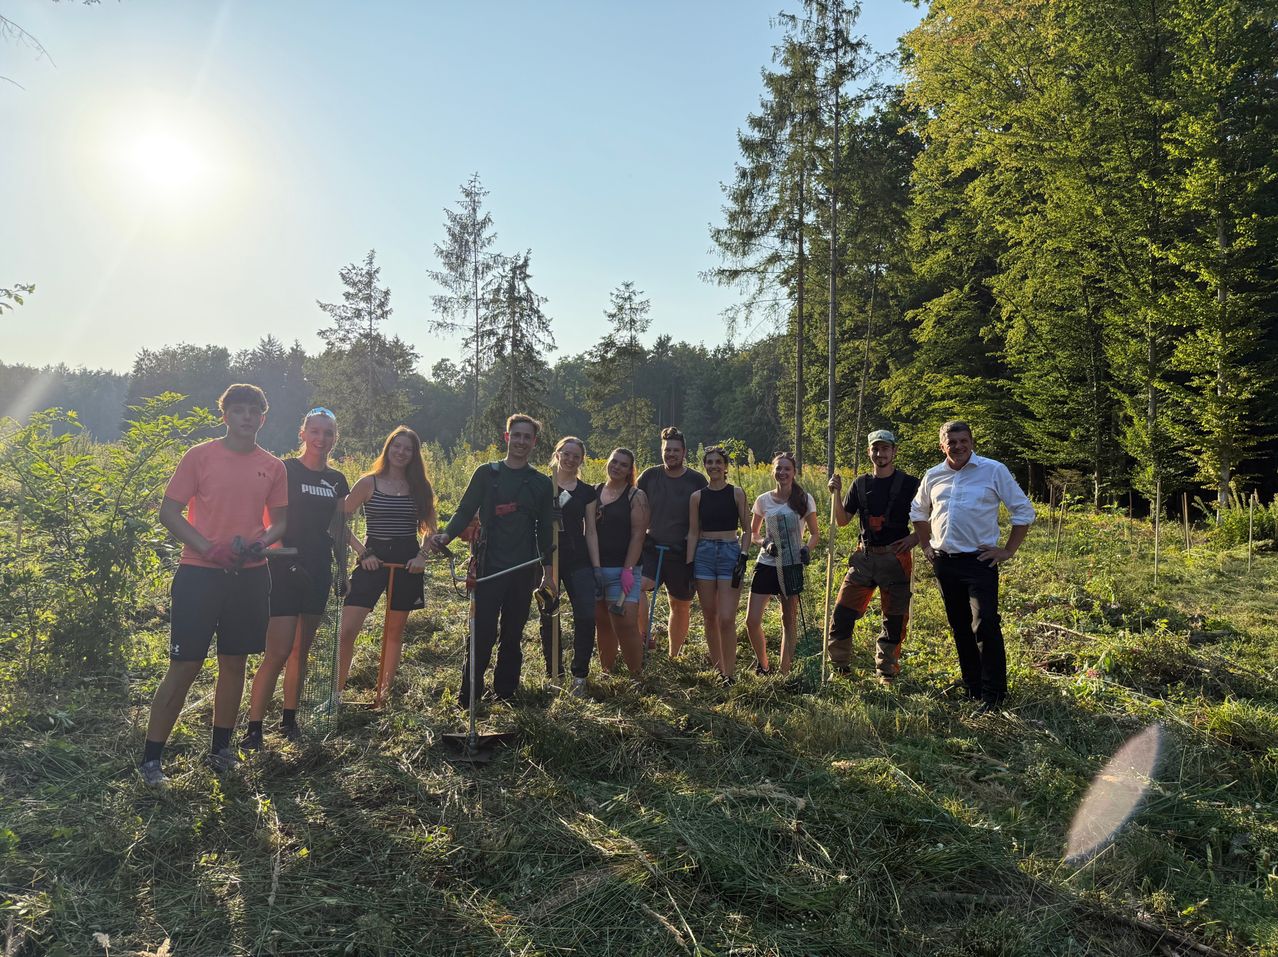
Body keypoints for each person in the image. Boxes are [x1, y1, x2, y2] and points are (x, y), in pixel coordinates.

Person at [138, 383, 288, 786]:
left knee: (234, 661)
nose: (246, 417)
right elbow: (169, 512)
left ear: (263, 417)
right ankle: (152, 759)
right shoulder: (199, 457)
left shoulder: (273, 466)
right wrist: (207, 547)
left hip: (250, 575)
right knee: (184, 665)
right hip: (199, 574)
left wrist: (263, 541)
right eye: (237, 410)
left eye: (253, 411)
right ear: (224, 415)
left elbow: (281, 520)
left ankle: (221, 750)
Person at [242, 408, 352, 749]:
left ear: (335, 438)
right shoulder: (285, 469)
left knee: (300, 652)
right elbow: (268, 516)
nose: (322, 439)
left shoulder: (337, 480)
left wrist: (342, 569)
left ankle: (289, 722)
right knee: (276, 651)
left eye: (328, 433)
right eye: (315, 431)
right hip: (284, 568)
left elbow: (339, 529)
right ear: (302, 433)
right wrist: (279, 551)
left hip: (319, 569)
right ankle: (254, 729)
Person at [428, 414, 555, 707]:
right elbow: (464, 510)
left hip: (523, 570)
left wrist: (548, 573)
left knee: (513, 633)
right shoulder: (487, 474)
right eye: (517, 435)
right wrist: (445, 536)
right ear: (507, 437)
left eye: (528, 437)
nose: (522, 441)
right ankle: (469, 696)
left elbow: (545, 532)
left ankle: (506, 693)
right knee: (482, 633)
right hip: (488, 568)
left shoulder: (540, 484)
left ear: (534, 442)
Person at [910, 420, 1035, 712]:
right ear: (942, 445)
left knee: (986, 624)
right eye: (951, 442)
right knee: (960, 627)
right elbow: (918, 510)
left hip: (980, 562)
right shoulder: (933, 475)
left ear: (972, 442)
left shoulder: (993, 471)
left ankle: (994, 695)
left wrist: (1007, 550)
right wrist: (927, 545)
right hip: (945, 562)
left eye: (963, 440)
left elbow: (1023, 510)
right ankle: (973, 688)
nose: (958, 446)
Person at [336, 426, 436, 708]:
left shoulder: (419, 488)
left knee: (394, 630)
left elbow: (431, 529)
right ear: (388, 448)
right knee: (347, 630)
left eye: (408, 449)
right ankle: (336, 693)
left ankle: (384, 694)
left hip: (406, 559)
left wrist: (422, 557)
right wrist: (362, 552)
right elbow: (339, 521)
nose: (401, 452)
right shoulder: (368, 483)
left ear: (414, 455)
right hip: (373, 557)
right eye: (397, 446)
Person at [826, 429, 920, 684]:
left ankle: (886, 671)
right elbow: (843, 521)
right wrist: (836, 494)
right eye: (875, 449)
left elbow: (931, 515)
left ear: (894, 451)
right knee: (842, 613)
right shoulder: (860, 484)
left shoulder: (911, 484)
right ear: (869, 452)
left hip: (895, 559)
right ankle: (840, 668)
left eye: (885, 448)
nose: (880, 453)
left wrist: (915, 538)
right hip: (864, 558)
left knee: (894, 617)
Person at [745, 452, 819, 676]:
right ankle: (764, 664)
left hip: (791, 564)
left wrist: (806, 549)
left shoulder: (804, 499)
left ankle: (784, 671)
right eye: (778, 468)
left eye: (787, 468)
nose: (782, 473)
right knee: (751, 620)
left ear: (794, 472)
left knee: (789, 619)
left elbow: (815, 533)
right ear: (773, 471)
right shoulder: (763, 500)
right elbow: (753, 533)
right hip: (767, 564)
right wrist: (765, 543)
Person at [637, 426, 707, 656]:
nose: (671, 454)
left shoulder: (696, 480)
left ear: (684, 452)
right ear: (662, 450)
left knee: (680, 605)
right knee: (635, 590)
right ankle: (645, 637)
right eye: (668, 450)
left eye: (676, 450)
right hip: (650, 547)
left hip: (682, 552)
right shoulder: (649, 476)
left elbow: (706, 514)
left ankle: (674, 654)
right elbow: (632, 502)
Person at [538, 436, 600, 694]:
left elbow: (591, 531)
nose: (571, 459)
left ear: (581, 460)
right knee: (550, 616)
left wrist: (596, 567)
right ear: (558, 453)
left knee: (586, 616)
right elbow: (533, 524)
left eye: (577, 456)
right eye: (567, 453)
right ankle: (554, 674)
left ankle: (579, 677)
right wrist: (543, 515)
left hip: (578, 559)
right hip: (548, 560)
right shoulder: (543, 485)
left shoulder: (586, 492)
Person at [686, 446, 750, 684]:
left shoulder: (737, 493)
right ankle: (718, 670)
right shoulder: (697, 497)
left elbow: (747, 530)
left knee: (726, 618)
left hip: (729, 553)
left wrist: (743, 555)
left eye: (718, 462)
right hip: (703, 554)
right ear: (705, 466)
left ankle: (730, 673)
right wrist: (689, 563)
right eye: (709, 462)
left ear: (725, 467)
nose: (714, 466)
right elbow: (693, 532)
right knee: (710, 616)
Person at [586, 448, 649, 678]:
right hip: (596, 568)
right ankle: (607, 671)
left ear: (630, 470)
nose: (617, 467)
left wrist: (628, 570)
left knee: (625, 625)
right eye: (614, 461)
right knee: (602, 623)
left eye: (623, 464)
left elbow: (638, 535)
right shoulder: (593, 492)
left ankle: (636, 676)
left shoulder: (635, 496)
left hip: (623, 571)